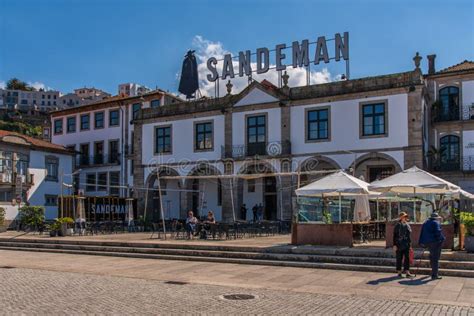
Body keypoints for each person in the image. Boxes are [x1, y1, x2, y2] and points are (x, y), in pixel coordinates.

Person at [419, 212, 445, 280]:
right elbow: (438, 232)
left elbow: (422, 232)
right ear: (436, 218)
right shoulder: (435, 222)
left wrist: (422, 242)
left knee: (432, 256)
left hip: (427, 242)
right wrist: (441, 239)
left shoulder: (426, 222)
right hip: (435, 242)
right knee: (435, 258)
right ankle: (434, 275)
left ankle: (433, 271)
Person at [393, 212, 413, 278]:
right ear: (401, 217)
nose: (405, 218)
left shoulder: (407, 225)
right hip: (399, 244)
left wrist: (410, 244)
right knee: (399, 258)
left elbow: (409, 235)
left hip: (406, 244)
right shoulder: (397, 225)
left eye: (406, 217)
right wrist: (394, 245)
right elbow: (394, 236)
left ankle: (407, 272)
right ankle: (399, 272)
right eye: (404, 217)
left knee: (407, 258)